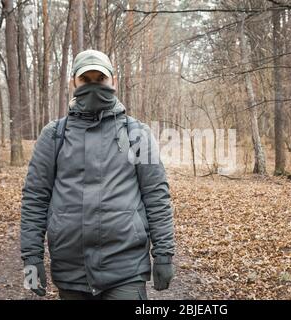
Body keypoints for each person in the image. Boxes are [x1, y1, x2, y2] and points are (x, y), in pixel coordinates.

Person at [20, 49, 175, 300]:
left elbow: (157, 196)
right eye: (86, 80)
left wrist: (164, 255)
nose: (93, 86)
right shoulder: (53, 135)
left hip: (125, 269)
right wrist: (31, 259)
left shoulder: (138, 133)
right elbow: (35, 199)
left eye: (100, 79)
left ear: (113, 81)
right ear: (73, 82)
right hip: (70, 270)